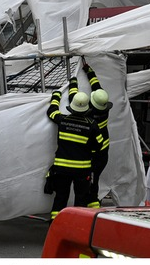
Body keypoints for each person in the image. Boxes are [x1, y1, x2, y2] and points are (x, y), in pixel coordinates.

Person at [44, 88, 107, 221]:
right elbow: (99, 146)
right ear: (86, 109)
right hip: (82, 171)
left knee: (60, 198)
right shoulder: (92, 125)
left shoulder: (62, 120)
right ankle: (78, 229)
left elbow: (51, 111)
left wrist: (56, 95)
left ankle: (55, 227)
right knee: (81, 201)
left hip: (61, 169)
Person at [84, 63, 112, 205]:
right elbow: (96, 86)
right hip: (103, 153)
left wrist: (73, 87)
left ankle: (92, 204)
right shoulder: (104, 108)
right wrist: (89, 71)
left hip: (94, 155)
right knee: (94, 178)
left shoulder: (89, 115)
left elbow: (75, 105)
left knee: (91, 180)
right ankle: (92, 201)